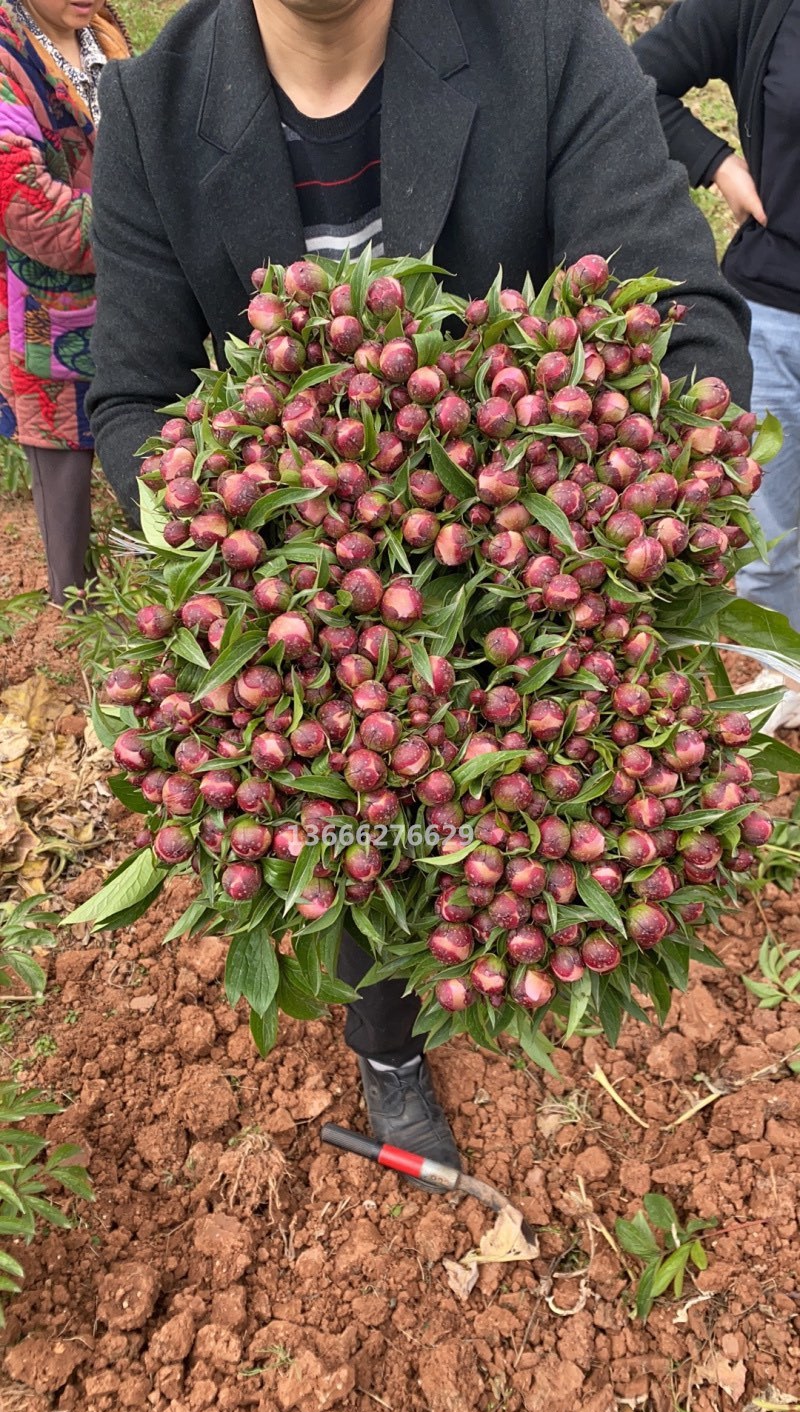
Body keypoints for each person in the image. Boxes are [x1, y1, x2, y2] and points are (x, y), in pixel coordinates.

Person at [87, 0, 752, 1180]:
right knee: (348, 849)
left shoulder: (546, 41)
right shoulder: (147, 108)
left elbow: (677, 317)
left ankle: (449, 977)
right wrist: (253, 534)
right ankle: (386, 1045)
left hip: (541, 622)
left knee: (478, 834)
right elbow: (133, 401)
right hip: (308, 655)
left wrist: (634, 510)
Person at [634, 0, 800, 734]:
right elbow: (639, 78)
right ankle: (790, 670)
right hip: (779, 315)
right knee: (772, 535)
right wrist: (722, 167)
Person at [0, 0, 129, 605]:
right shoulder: (7, 56)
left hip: (132, 294)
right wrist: (142, 231)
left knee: (145, 426)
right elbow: (23, 202)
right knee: (64, 460)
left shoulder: (103, 35)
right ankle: (72, 609)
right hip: (49, 308)